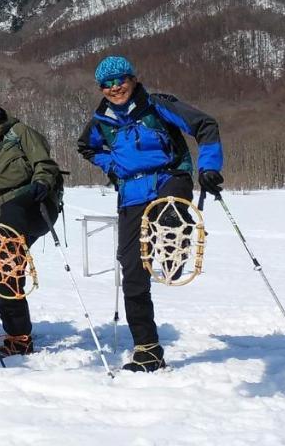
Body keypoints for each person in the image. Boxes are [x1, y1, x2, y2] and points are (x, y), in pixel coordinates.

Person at [76, 56, 223, 372]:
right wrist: (112, 167)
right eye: (107, 84)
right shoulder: (101, 119)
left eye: (120, 80)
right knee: (132, 270)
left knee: (169, 217)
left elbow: (205, 125)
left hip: (169, 177)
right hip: (131, 194)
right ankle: (148, 349)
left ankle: (174, 249)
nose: (115, 88)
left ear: (132, 78)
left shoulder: (156, 106)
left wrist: (209, 166)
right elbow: (86, 147)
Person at [0, 95, 62, 356]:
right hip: (3, 211)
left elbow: (45, 164)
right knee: (5, 267)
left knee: (5, 255)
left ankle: (18, 336)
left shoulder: (19, 132)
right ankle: (18, 335)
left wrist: (41, 181)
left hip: (34, 202)